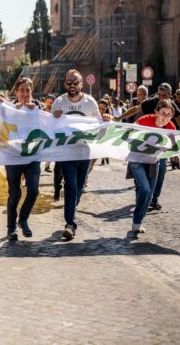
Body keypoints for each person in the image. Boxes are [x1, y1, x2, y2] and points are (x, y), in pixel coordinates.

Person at [52, 70, 111, 241]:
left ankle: (71, 212)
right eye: (69, 82)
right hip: (66, 152)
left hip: (84, 152)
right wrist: (53, 118)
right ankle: (70, 224)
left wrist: (106, 118)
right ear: (65, 84)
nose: (72, 85)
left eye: (75, 82)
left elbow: (99, 124)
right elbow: (51, 127)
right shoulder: (59, 102)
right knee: (70, 185)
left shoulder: (90, 102)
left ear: (81, 84)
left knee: (79, 186)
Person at [116, 83, 180, 211]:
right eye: (159, 94)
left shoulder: (172, 107)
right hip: (143, 145)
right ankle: (140, 197)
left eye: (164, 95)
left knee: (161, 170)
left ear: (170, 96)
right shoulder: (150, 102)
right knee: (140, 173)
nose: (160, 97)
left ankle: (154, 200)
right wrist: (119, 117)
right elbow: (136, 109)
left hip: (160, 148)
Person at [0, 78, 43, 240]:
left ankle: (23, 219)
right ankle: (11, 228)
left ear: (31, 92)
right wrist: (7, 106)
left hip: (32, 156)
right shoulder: (9, 108)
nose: (25, 93)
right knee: (15, 193)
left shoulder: (37, 106)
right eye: (22, 90)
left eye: (28, 90)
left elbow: (48, 119)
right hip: (13, 157)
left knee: (33, 190)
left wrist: (36, 107)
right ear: (16, 92)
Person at [129, 100, 176, 234]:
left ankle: (138, 221)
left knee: (149, 196)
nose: (165, 117)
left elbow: (174, 145)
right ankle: (137, 222)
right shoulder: (145, 120)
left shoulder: (171, 127)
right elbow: (129, 131)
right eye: (163, 113)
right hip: (136, 160)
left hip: (153, 162)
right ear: (156, 112)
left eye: (168, 114)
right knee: (144, 189)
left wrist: (176, 153)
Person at [43, 94, 55, 172]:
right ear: (45, 101)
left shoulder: (55, 112)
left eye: (51, 103)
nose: (49, 104)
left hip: (51, 134)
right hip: (42, 133)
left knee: (51, 150)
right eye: (48, 102)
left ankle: (47, 165)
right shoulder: (41, 111)